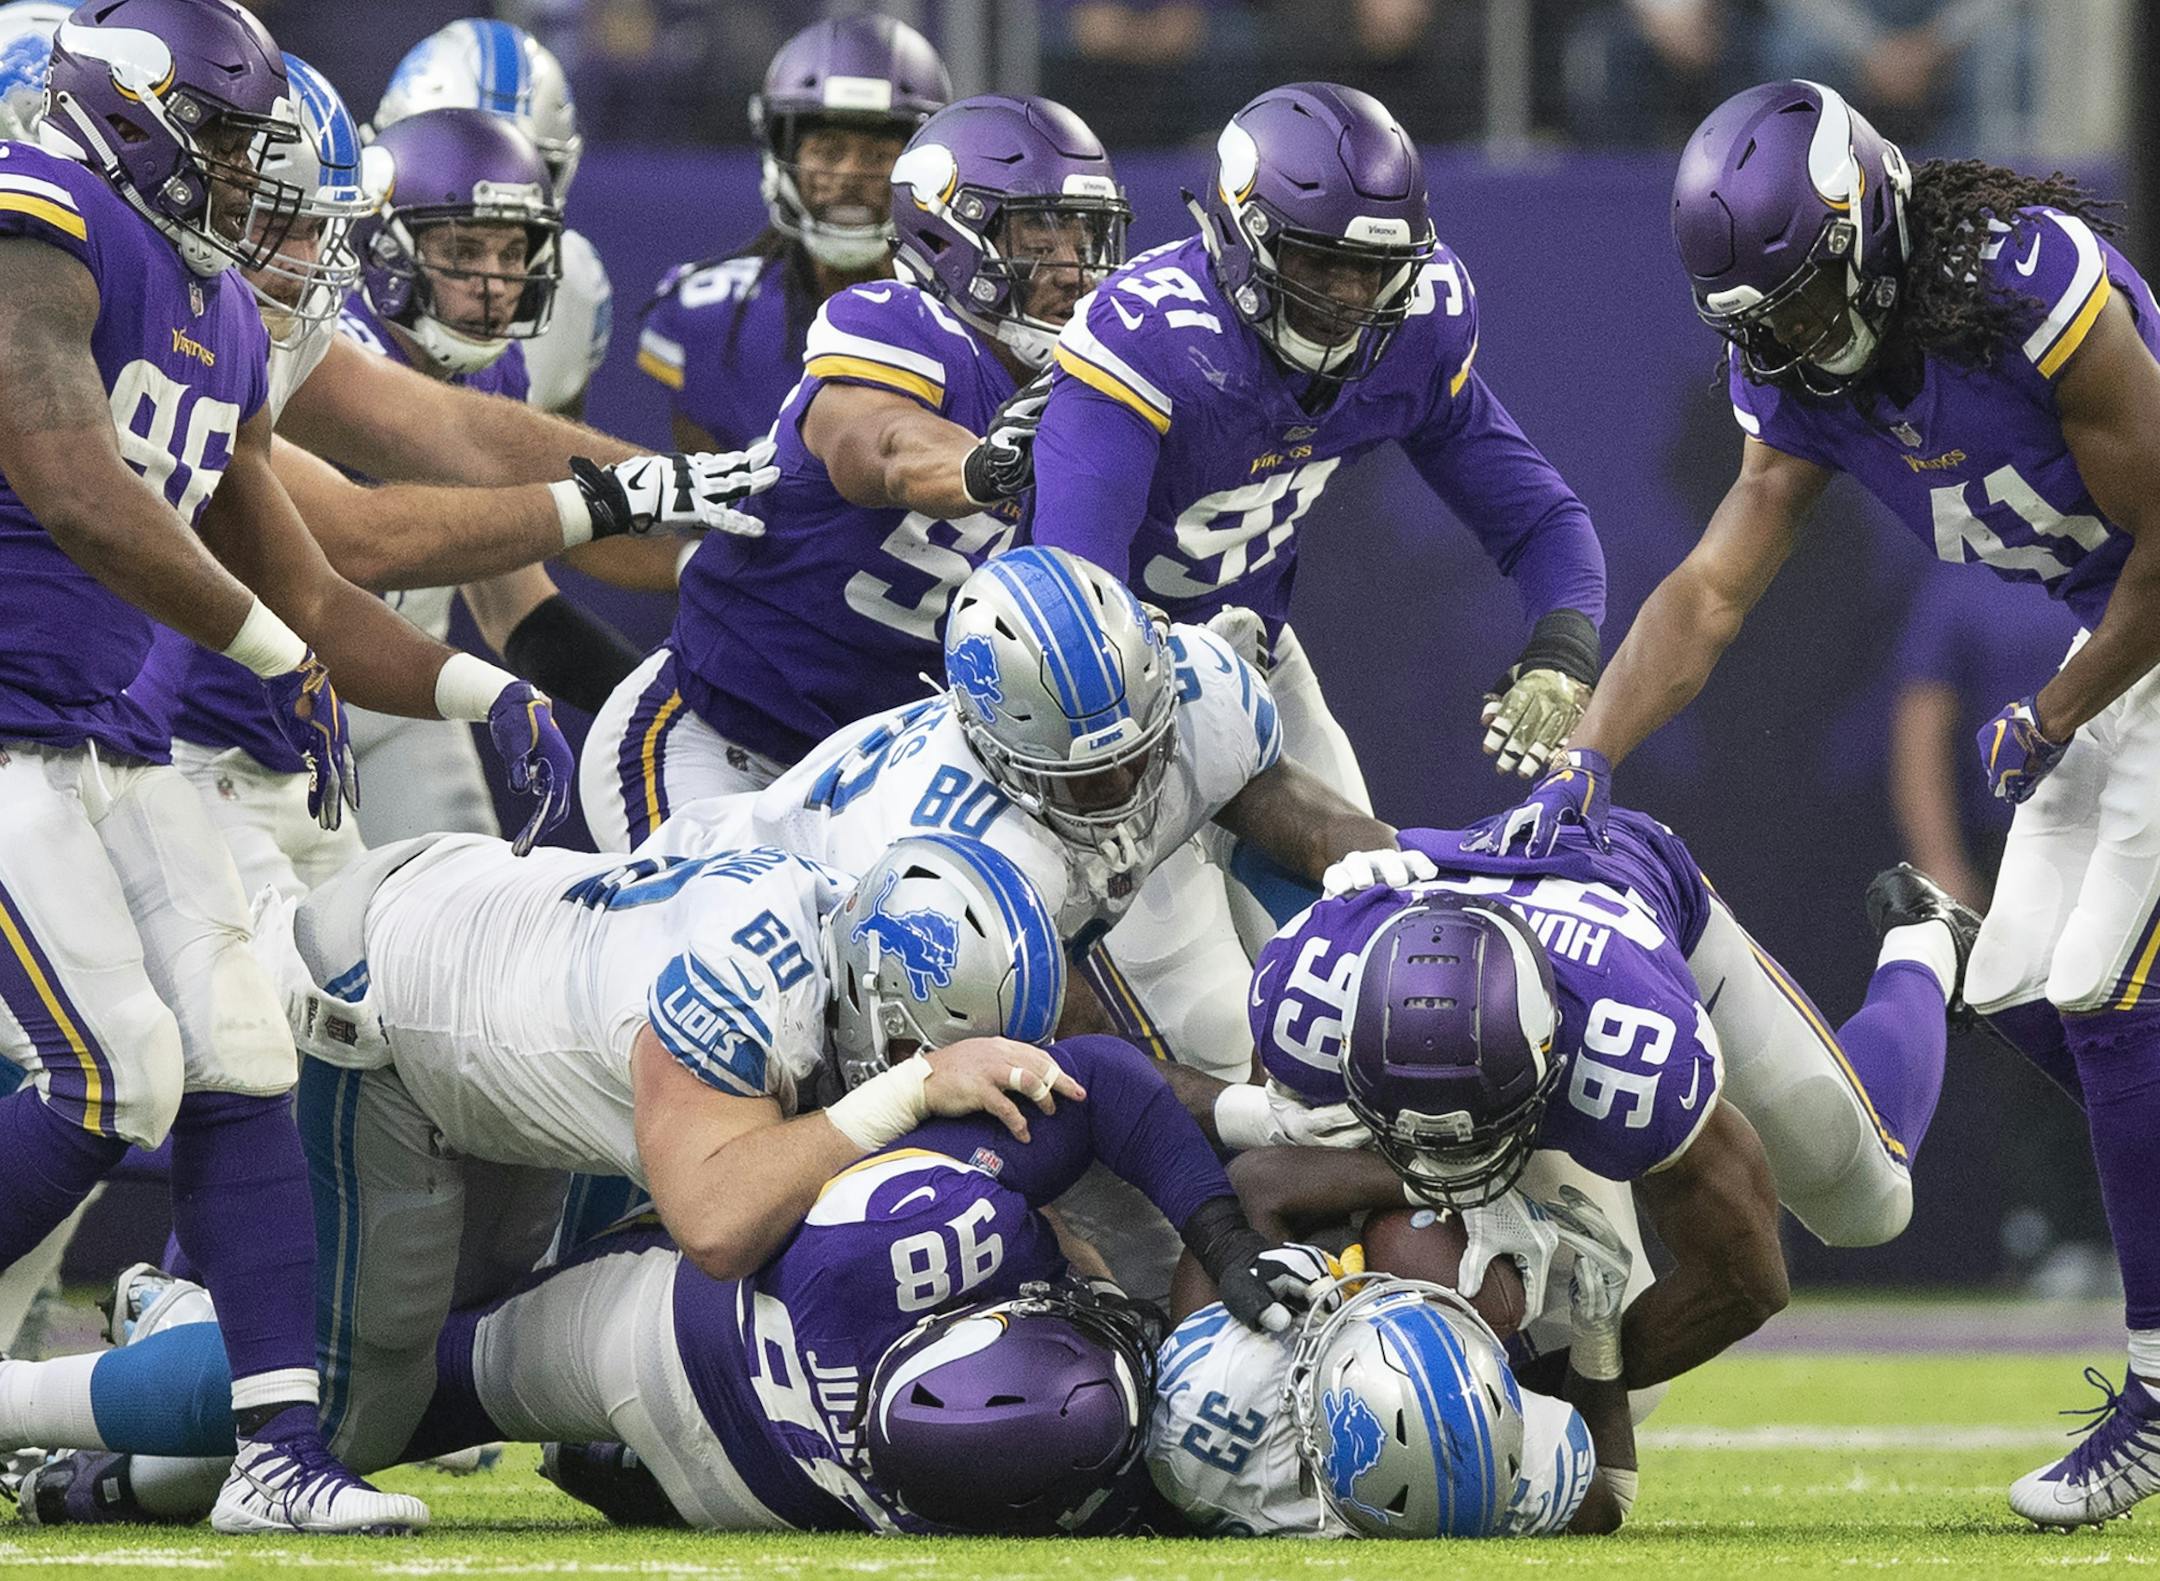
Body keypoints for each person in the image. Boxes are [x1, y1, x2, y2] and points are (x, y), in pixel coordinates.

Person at [1490, 79, 2160, 1525]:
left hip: (2138, 633)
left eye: (1802, 302)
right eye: (1762, 322)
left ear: (1868, 226)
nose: (1793, 342)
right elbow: (1715, 587)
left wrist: (2053, 708)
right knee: (2016, 977)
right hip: (2110, 643)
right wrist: (1587, 752)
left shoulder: (2025, 280)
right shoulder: (1801, 374)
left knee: (2109, 989)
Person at [0, 0, 582, 1534]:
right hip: (3, 726)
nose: (247, 179)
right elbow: (72, 486)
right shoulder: (35, 211)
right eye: (227, 139)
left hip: (113, 743)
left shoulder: (222, 311)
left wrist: (478, 687)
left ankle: (277, 1453)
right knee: (105, 1074)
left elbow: (318, 590)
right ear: (125, 113)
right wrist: (263, 648)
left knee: (245, 1055)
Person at [7, 1039, 1326, 1533]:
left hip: (661, 1321)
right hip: (745, 1480)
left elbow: (1105, 1076)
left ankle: (66, 1387)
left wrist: (1215, 1229)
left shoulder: (928, 1233)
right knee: (370, 1423)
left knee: (357, 1395)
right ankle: (98, 1472)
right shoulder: (1071, 1485)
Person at [1029, 80, 1608, 818]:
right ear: (1243, 237)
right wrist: (1173, 692)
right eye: (1318, 262)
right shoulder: (1151, 339)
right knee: (1185, 933)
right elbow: (1075, 598)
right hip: (1094, 685)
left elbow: (1541, 521)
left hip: (1255, 652)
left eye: (1372, 268)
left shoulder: (1414, 332)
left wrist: (1561, 651)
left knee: (1352, 904)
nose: (1348, 295)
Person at [1249, 805, 1970, 1386]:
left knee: (1866, 1199)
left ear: (1549, 1056)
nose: (1454, 1160)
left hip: (1625, 885)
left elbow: (1748, 1282)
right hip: (1464, 909)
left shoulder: (1632, 1053)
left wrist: (1550, 1389)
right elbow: (1266, 1176)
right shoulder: (1305, 998)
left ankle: (1927, 938)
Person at [581, 93, 1130, 845]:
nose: (1071, 266)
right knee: (727, 942)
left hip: (883, 778)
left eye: (1082, 232)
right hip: (719, 735)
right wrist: (986, 465)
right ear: (952, 234)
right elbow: (875, 447)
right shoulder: (894, 321)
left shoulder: (1095, 380)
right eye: (1039, 230)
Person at [1150, 1185, 1639, 1537]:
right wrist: (1598, 1334)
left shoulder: (1215, 1400)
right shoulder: (1496, 1481)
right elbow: (1609, 1503)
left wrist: (1252, 1261)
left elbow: (1249, 1184)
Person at [638, 14, 950, 453]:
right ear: (781, 152)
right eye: (828, 150)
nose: (850, 175)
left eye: (879, 154)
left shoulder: (965, 313)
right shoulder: (708, 314)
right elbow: (704, 514)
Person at [374, 17, 609, 417]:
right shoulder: (322, 280)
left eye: (531, 168)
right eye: (458, 165)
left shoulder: (571, 280)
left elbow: (549, 460)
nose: (506, 185)